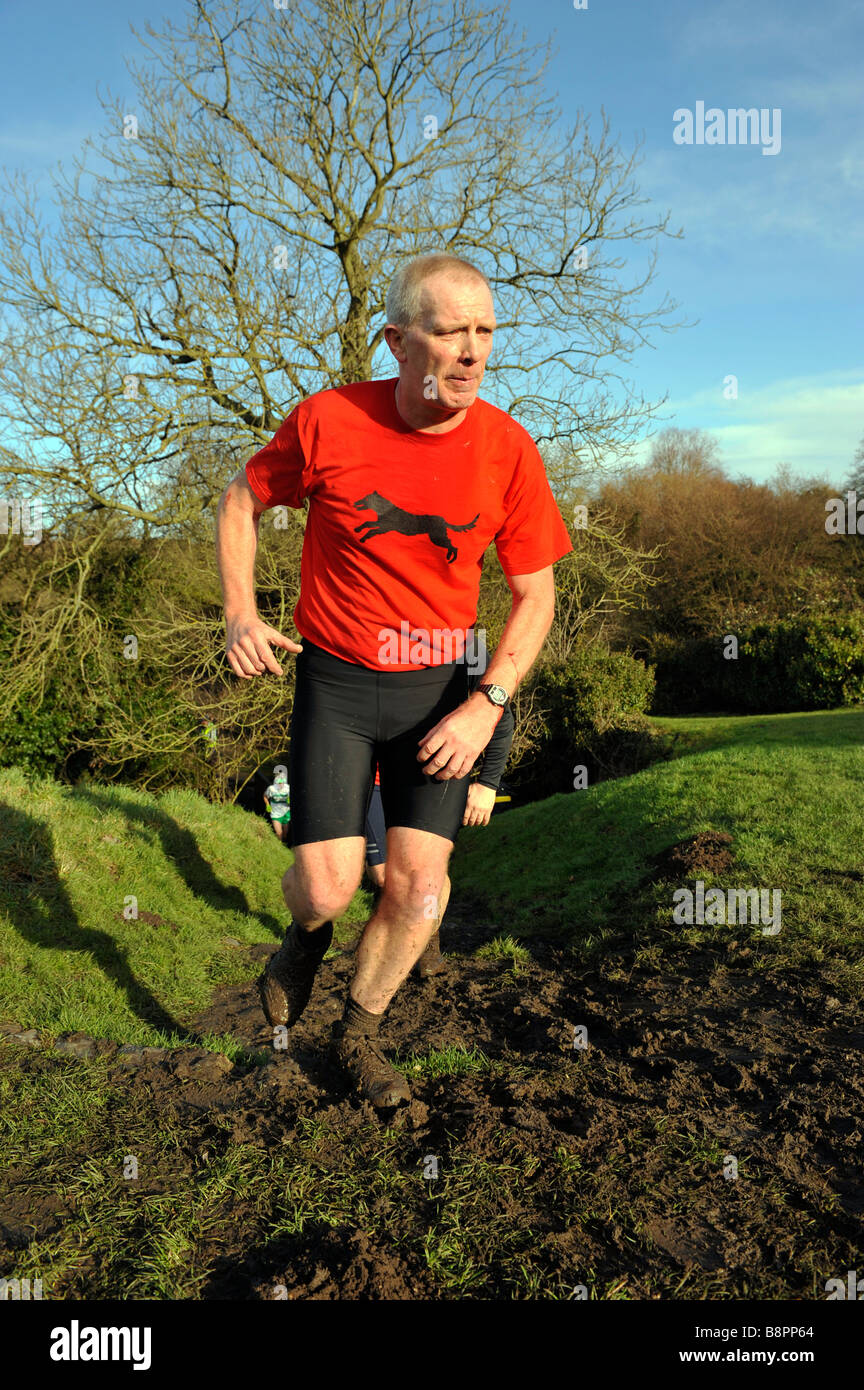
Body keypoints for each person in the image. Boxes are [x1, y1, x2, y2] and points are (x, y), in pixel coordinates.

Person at [216, 250, 572, 1108]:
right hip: (337, 684)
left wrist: (487, 706)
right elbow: (241, 498)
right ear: (399, 341)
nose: (473, 351)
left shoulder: (509, 449)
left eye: (486, 331)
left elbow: (536, 596)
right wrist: (238, 611)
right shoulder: (328, 422)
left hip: (443, 692)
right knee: (329, 885)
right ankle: (304, 941)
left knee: (419, 891)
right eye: (451, 332)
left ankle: (359, 1035)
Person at [366, 627, 515, 980]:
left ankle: (426, 945)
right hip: (369, 778)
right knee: (385, 875)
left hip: (431, 772)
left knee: (427, 871)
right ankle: (401, 927)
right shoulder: (364, 627)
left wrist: (488, 785)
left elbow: (500, 718)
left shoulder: (464, 644)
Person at [263, 772, 291, 842]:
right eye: (279, 782)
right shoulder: (271, 789)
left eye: (283, 781)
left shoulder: (288, 788)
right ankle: (280, 848)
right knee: (279, 833)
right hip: (275, 813)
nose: (281, 784)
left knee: (285, 833)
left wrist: (290, 800)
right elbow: (265, 796)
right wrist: (267, 805)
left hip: (286, 812)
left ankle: (285, 844)